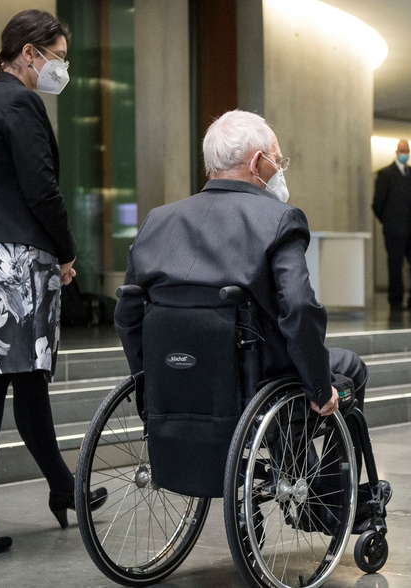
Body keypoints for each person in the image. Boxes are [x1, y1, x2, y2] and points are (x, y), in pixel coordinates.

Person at [114, 109, 389, 505]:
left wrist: (151, 378)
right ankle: (327, 501)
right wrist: (317, 385)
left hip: (175, 379)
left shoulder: (158, 221)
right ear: (257, 162)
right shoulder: (277, 219)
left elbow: (127, 313)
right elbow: (297, 307)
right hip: (252, 378)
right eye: (278, 160)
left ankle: (297, 466)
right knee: (346, 370)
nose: (279, 169)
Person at [0, 10, 105, 559]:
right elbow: (41, 190)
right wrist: (67, 251)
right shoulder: (19, 101)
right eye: (59, 57)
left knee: (27, 381)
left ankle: (65, 488)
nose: (62, 68)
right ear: (30, 52)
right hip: (11, 262)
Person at [372, 140, 411, 313]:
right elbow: (377, 204)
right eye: (403, 150)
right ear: (397, 151)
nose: (406, 153)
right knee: (395, 265)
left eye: (408, 150)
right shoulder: (386, 174)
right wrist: (389, 220)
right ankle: (396, 302)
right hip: (395, 229)